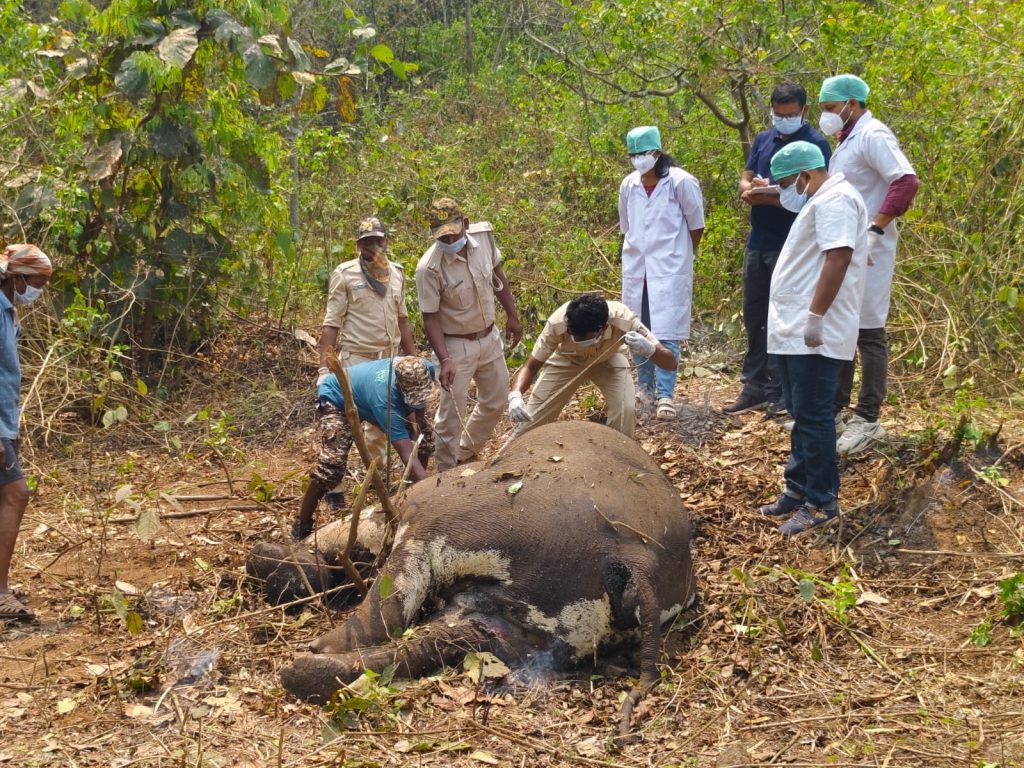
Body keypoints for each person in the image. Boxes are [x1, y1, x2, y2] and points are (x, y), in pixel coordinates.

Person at [761, 141, 868, 536]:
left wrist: (815, 315)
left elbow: (838, 256)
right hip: (793, 328)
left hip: (815, 328)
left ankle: (822, 500)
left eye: (789, 183)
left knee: (814, 412)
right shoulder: (819, 200)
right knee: (800, 410)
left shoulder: (836, 199)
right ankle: (797, 487)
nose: (787, 190)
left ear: (805, 175)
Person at [818, 74, 919, 455]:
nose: (826, 116)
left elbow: (906, 181)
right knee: (843, 326)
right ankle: (835, 411)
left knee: (869, 333)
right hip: (847, 250)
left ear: (851, 103)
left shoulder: (874, 134)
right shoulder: (848, 140)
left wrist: (876, 226)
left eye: (830, 109)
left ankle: (868, 418)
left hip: (871, 251)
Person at [724, 82, 833, 416]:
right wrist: (753, 189)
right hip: (758, 241)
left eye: (790, 114)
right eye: (778, 114)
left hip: (792, 245)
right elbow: (745, 180)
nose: (783, 119)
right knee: (754, 315)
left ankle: (779, 392)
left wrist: (766, 194)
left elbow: (808, 194)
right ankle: (753, 386)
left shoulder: (815, 145)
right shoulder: (763, 139)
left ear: (804, 111)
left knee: (782, 319)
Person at [415, 198, 521, 472]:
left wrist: (512, 315)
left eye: (453, 232)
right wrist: (445, 359)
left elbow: (498, 274)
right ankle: (447, 474)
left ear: (465, 224)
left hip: (489, 337)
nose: (450, 239)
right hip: (455, 346)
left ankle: (465, 451)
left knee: (497, 399)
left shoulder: (483, 238)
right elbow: (430, 317)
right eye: (442, 236)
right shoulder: (429, 268)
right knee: (451, 417)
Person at [317, 217, 418, 504]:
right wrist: (325, 367)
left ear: (386, 241)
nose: (373, 246)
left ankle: (377, 484)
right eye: (367, 241)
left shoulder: (397, 274)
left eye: (378, 240)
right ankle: (333, 488)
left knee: (380, 425)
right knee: (341, 426)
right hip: (355, 360)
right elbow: (331, 324)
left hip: (387, 361)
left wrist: (412, 360)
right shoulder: (345, 274)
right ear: (358, 245)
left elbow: (403, 321)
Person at [293, 356, 436, 540]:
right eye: (411, 396)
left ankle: (411, 494)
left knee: (425, 440)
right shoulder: (384, 401)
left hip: (366, 394)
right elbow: (406, 453)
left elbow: (419, 402)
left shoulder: (425, 367)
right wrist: (433, 494)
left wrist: (418, 424)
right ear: (400, 387)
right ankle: (301, 524)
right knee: (332, 466)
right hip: (337, 397)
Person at [619, 125, 705, 421]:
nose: (639, 159)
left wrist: (679, 256)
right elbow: (626, 226)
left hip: (669, 268)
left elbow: (696, 226)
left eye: (643, 153)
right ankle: (645, 387)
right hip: (637, 270)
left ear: (657, 152)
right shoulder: (628, 185)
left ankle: (666, 394)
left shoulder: (681, 182)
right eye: (633, 154)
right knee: (636, 328)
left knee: (666, 331)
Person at [506, 293, 677, 437]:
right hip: (566, 361)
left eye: (583, 339)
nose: (577, 341)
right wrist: (515, 395)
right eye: (574, 336)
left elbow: (671, 364)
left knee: (625, 410)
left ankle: (620, 458)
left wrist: (650, 350)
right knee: (531, 420)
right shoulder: (557, 324)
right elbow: (530, 366)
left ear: (602, 328)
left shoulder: (624, 319)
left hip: (608, 359)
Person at [1, 244, 53, 621]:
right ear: (17, 277)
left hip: (4, 424)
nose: (39, 290)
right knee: (16, 495)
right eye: (36, 282)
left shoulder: (7, 312)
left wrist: (11, 429)